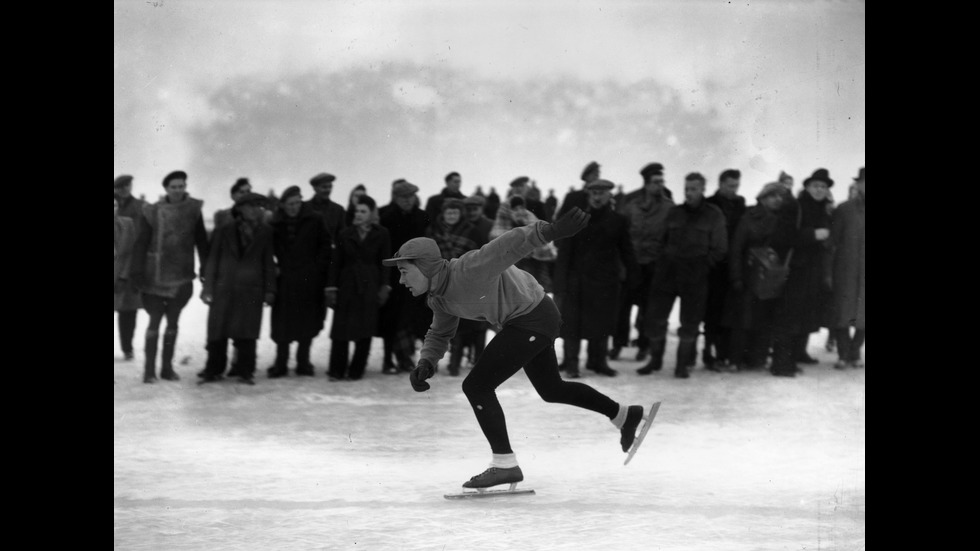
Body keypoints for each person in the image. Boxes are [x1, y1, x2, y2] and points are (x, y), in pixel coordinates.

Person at [388, 207, 650, 490]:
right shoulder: (438, 298)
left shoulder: (467, 269)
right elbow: (440, 332)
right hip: (528, 320)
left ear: (425, 267)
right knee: (552, 389)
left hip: (532, 317)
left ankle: (505, 464)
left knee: (477, 386)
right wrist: (426, 362)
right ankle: (624, 415)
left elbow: (509, 244)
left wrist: (550, 231)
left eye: (404, 272)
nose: (401, 280)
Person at [639, 172, 727, 378]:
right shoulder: (674, 213)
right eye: (686, 189)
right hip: (667, 272)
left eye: (694, 189)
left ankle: (682, 365)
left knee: (690, 322)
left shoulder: (714, 215)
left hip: (695, 275)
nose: (689, 193)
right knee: (656, 318)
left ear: (703, 189)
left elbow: (720, 248)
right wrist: (662, 261)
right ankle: (655, 360)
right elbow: (661, 240)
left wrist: (704, 265)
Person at [130, 170, 209, 383]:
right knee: (154, 322)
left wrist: (205, 269)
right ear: (166, 189)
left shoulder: (194, 209)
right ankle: (149, 371)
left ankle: (167, 368)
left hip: (182, 275)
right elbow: (140, 243)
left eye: (181, 186)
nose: (177, 190)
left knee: (173, 322)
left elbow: (201, 240)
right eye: (173, 186)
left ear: (185, 187)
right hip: (153, 276)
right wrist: (136, 272)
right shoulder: (152, 211)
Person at [553, 179, 637, 378]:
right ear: (589, 195)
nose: (598, 197)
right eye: (594, 193)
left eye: (602, 193)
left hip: (605, 282)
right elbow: (564, 252)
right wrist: (560, 282)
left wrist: (633, 275)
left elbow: (627, 250)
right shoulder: (575, 219)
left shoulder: (618, 221)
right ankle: (572, 363)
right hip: (577, 281)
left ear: (609, 196)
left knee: (602, 322)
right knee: (572, 325)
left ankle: (598, 362)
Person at [199, 192, 277, 384]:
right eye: (251, 206)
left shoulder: (265, 232)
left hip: (251, 290)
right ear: (240, 209)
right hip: (224, 289)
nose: (256, 210)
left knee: (247, 333)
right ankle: (213, 370)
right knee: (218, 331)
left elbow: (268, 263)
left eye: (259, 206)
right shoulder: (223, 230)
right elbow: (213, 261)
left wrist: (269, 290)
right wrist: (207, 288)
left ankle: (245, 371)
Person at [770, 168, 834, 377]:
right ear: (806, 186)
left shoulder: (824, 209)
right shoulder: (794, 206)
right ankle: (780, 363)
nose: (819, 190)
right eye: (816, 185)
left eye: (823, 187)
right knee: (789, 315)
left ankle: (797, 354)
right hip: (794, 270)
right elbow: (782, 236)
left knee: (806, 313)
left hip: (812, 270)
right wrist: (812, 234)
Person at [722, 183, 791, 370]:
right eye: (773, 196)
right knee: (743, 321)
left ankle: (756, 359)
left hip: (770, 278)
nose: (777, 200)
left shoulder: (783, 220)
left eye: (780, 197)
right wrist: (736, 277)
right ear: (762, 198)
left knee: (764, 319)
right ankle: (735, 359)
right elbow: (736, 249)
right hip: (749, 276)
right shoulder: (749, 218)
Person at [267, 186, 333, 378]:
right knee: (282, 324)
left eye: (297, 203)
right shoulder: (275, 224)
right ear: (282, 205)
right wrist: (274, 267)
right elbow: (266, 250)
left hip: (308, 280)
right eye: (290, 204)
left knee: (307, 321)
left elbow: (325, 247)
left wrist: (315, 269)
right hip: (285, 280)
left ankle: (303, 362)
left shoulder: (315, 219)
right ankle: (281, 363)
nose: (294, 207)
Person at [612, 162, 674, 362]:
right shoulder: (631, 204)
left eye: (662, 182)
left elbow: (670, 238)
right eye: (656, 182)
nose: (660, 186)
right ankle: (618, 344)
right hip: (632, 264)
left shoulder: (669, 207)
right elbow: (621, 233)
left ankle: (643, 345)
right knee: (623, 307)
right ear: (646, 184)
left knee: (648, 308)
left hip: (654, 265)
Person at [325, 195, 391, 380]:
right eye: (357, 211)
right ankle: (337, 370)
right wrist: (331, 288)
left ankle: (356, 370)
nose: (359, 215)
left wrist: (385, 286)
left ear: (371, 213)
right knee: (341, 330)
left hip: (370, 285)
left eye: (363, 211)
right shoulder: (345, 234)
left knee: (365, 328)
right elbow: (335, 262)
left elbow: (385, 262)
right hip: (347, 285)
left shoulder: (382, 233)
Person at [378, 180, 432, 374]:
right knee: (392, 320)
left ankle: (409, 358)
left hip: (418, 274)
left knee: (415, 318)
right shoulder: (386, 217)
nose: (408, 201)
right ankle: (388, 359)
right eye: (403, 197)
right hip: (395, 275)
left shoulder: (423, 217)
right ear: (396, 198)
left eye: (410, 197)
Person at [426, 198, 482, 375]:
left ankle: (454, 363)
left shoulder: (471, 231)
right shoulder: (433, 231)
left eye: (455, 213)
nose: (451, 216)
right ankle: (430, 362)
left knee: (459, 324)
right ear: (443, 213)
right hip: (437, 281)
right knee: (437, 324)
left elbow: (477, 256)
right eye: (448, 212)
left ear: (461, 214)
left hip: (462, 281)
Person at [702, 169, 747, 371]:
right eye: (730, 185)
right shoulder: (709, 203)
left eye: (736, 186)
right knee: (711, 312)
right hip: (713, 266)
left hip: (732, 265)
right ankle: (708, 352)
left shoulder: (740, 204)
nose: (734, 190)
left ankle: (723, 353)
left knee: (727, 312)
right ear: (720, 184)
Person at [829, 167, 865, 369]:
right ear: (858, 184)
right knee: (842, 314)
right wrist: (829, 272)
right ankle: (843, 354)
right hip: (846, 271)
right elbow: (832, 242)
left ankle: (855, 351)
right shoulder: (844, 209)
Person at [114, 175, 145, 361]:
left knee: (128, 310)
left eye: (127, 185)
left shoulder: (140, 206)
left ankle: (127, 348)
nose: (124, 189)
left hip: (129, 264)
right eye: (120, 186)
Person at [114, 194, 138, 361]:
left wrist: (123, 276)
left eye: (114, 205)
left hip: (124, 276)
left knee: (128, 313)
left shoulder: (127, 224)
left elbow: (132, 251)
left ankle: (127, 348)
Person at [306, 172, 347, 243]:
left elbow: (342, 236)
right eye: (324, 187)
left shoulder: (338, 210)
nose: (328, 190)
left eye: (330, 187)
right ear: (315, 188)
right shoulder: (305, 208)